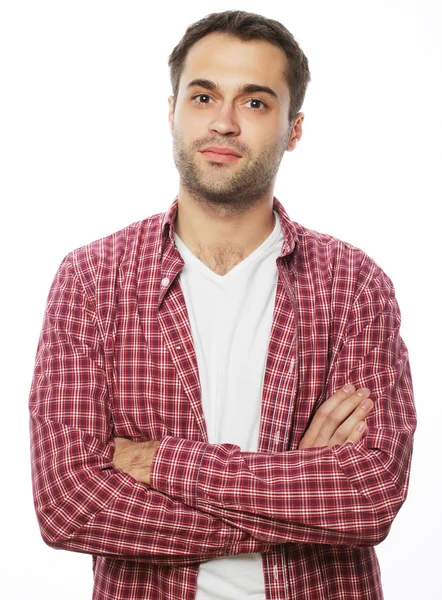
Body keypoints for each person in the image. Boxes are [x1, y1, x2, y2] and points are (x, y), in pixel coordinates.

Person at [29, 9, 416, 600]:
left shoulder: (354, 284)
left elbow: (368, 498)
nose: (226, 124)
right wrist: (298, 492)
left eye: (256, 103)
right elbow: (68, 507)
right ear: (172, 112)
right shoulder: (92, 281)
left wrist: (160, 465)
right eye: (204, 97)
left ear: (295, 128)